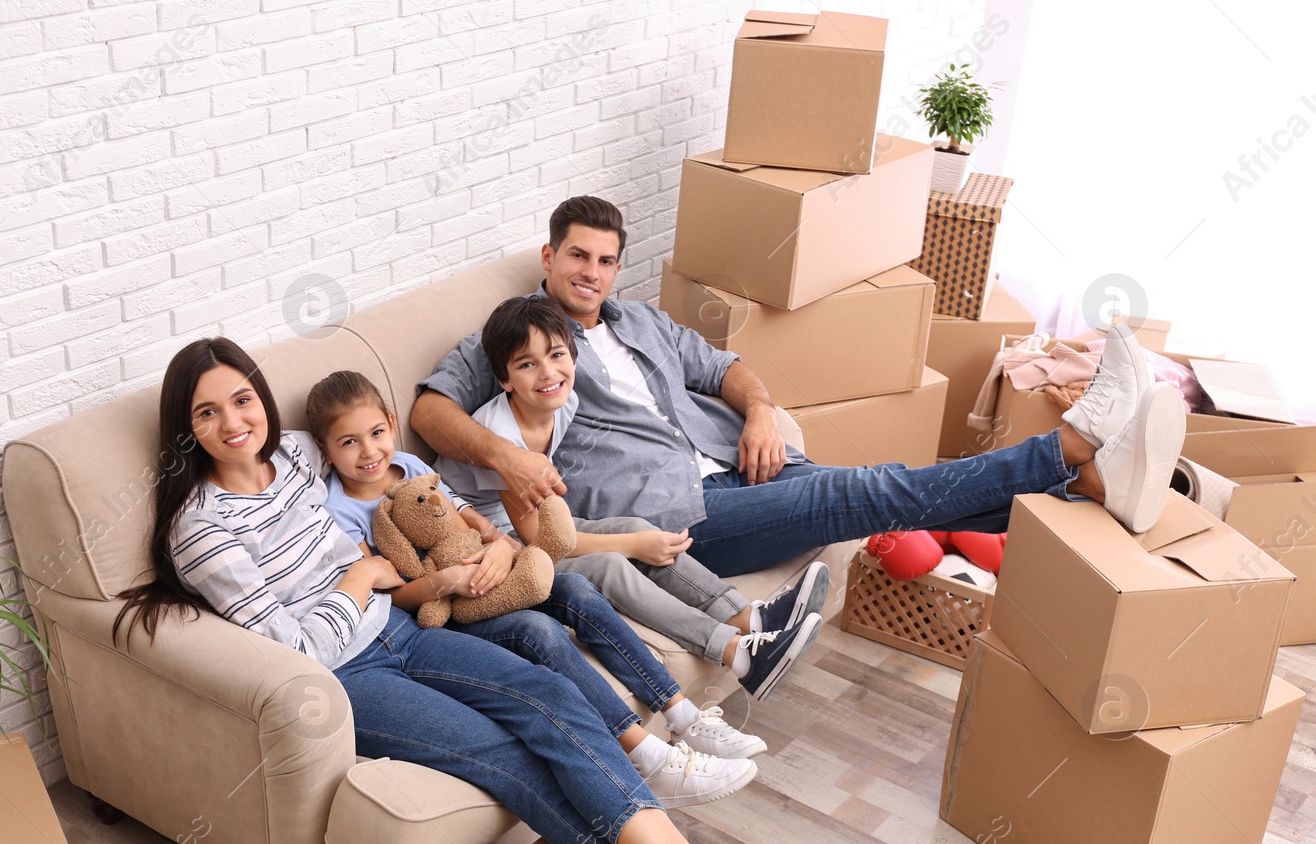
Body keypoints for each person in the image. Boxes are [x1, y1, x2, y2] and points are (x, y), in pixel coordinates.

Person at [114, 337, 884, 844]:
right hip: (351, 675)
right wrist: (360, 576)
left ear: (261, 397)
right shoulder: (202, 528)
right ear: (186, 431)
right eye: (206, 413)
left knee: (547, 694)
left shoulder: (299, 457)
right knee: (506, 756)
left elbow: (378, 449)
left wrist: (460, 536)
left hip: (407, 629)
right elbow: (291, 646)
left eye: (242, 398)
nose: (233, 421)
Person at [410, 196, 1187, 580]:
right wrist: (508, 461)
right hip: (678, 513)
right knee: (872, 488)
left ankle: (1085, 485)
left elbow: (725, 369)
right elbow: (429, 410)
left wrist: (759, 410)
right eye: (577, 257)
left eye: (605, 260)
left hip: (739, 463)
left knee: (890, 489)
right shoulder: (520, 339)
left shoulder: (642, 320)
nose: (590, 274)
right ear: (549, 256)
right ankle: (1071, 444)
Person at [305, 369, 763, 790]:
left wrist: (500, 551)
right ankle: (643, 751)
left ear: (389, 422)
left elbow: (473, 527)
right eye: (348, 443)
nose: (369, 452)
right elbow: (389, 595)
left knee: (578, 589)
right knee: (537, 629)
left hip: (493, 573)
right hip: (444, 612)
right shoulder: (338, 511)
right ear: (325, 450)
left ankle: (681, 712)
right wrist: (447, 581)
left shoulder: (412, 466)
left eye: (376, 433)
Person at [434, 294, 830, 709]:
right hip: (492, 544)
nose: (548, 373)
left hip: (533, 525)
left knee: (639, 527)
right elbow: (540, 539)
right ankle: (740, 654)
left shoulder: (564, 401)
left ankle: (750, 618)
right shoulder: (501, 434)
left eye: (556, 355)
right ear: (504, 379)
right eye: (527, 364)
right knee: (610, 561)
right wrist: (631, 546)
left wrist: (636, 533)